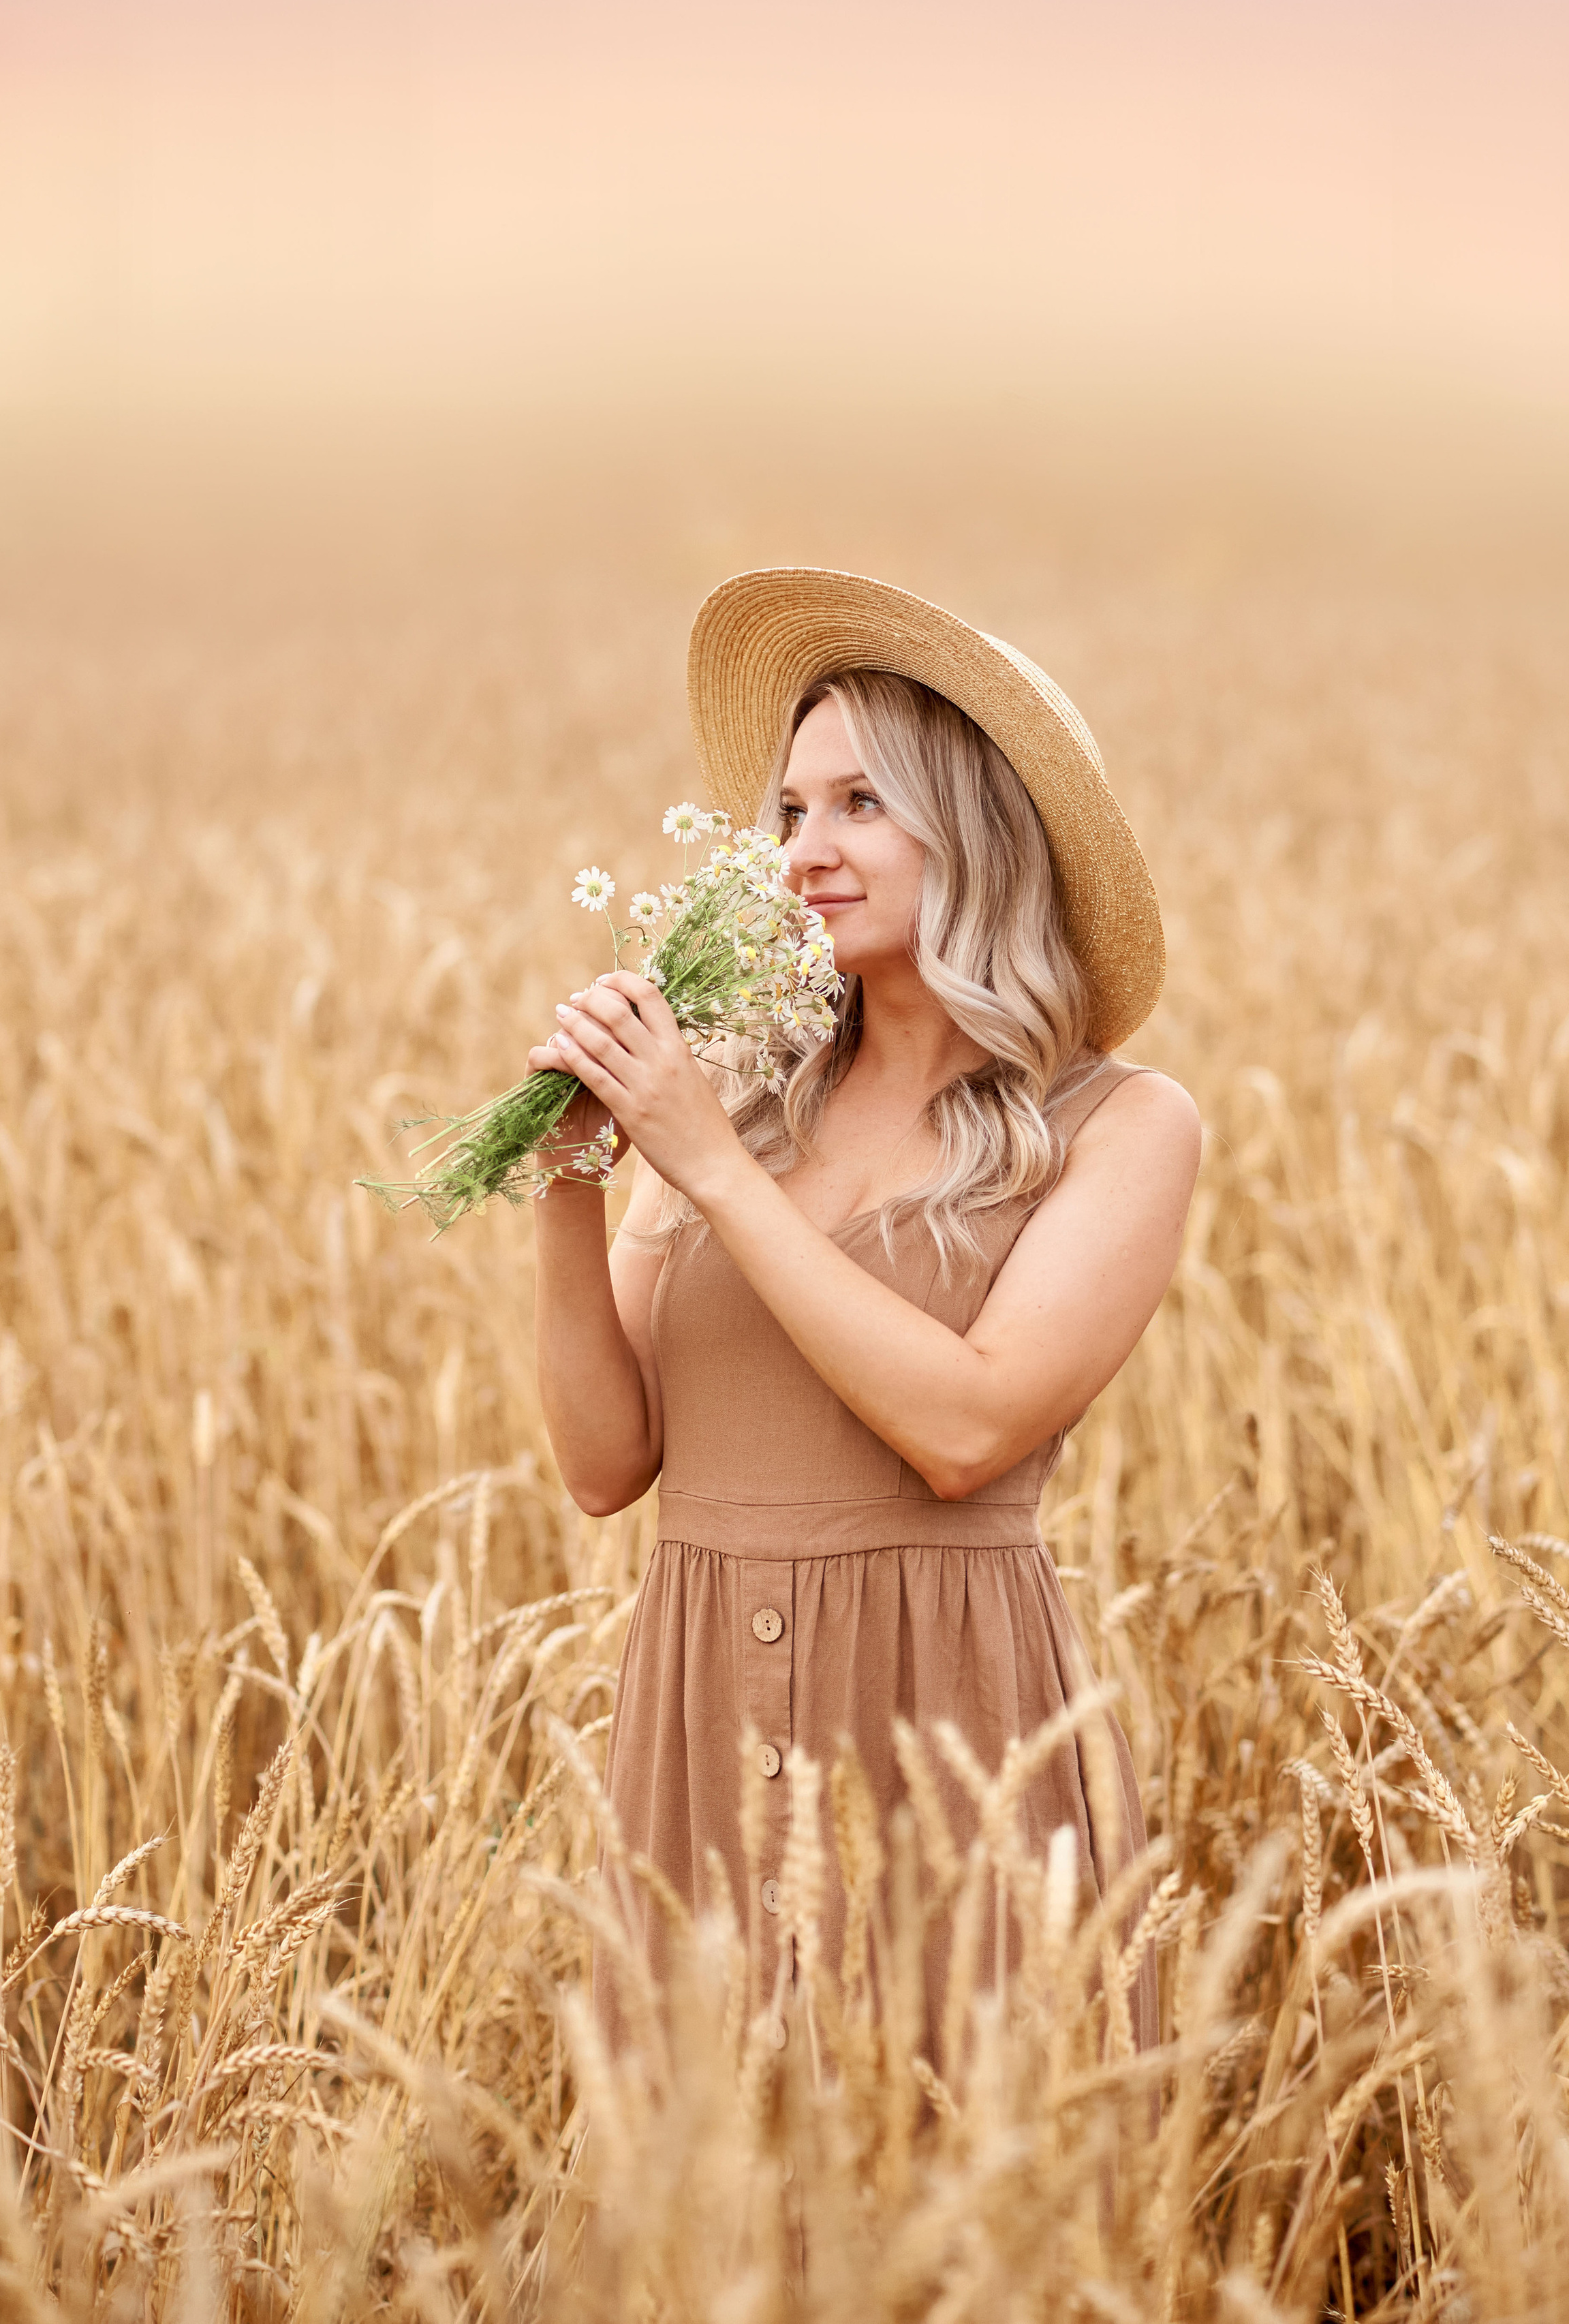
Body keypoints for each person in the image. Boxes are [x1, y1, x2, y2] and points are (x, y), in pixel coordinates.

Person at [527, 568, 1201, 2054]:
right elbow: (599, 1466)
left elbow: (965, 1428)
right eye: (787, 812)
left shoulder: (1116, 1125)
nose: (803, 851)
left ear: (974, 831)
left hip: (941, 1727)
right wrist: (571, 1186)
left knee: (956, 2208)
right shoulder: (747, 1097)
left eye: (858, 807)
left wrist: (700, 1158)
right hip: (697, 1731)